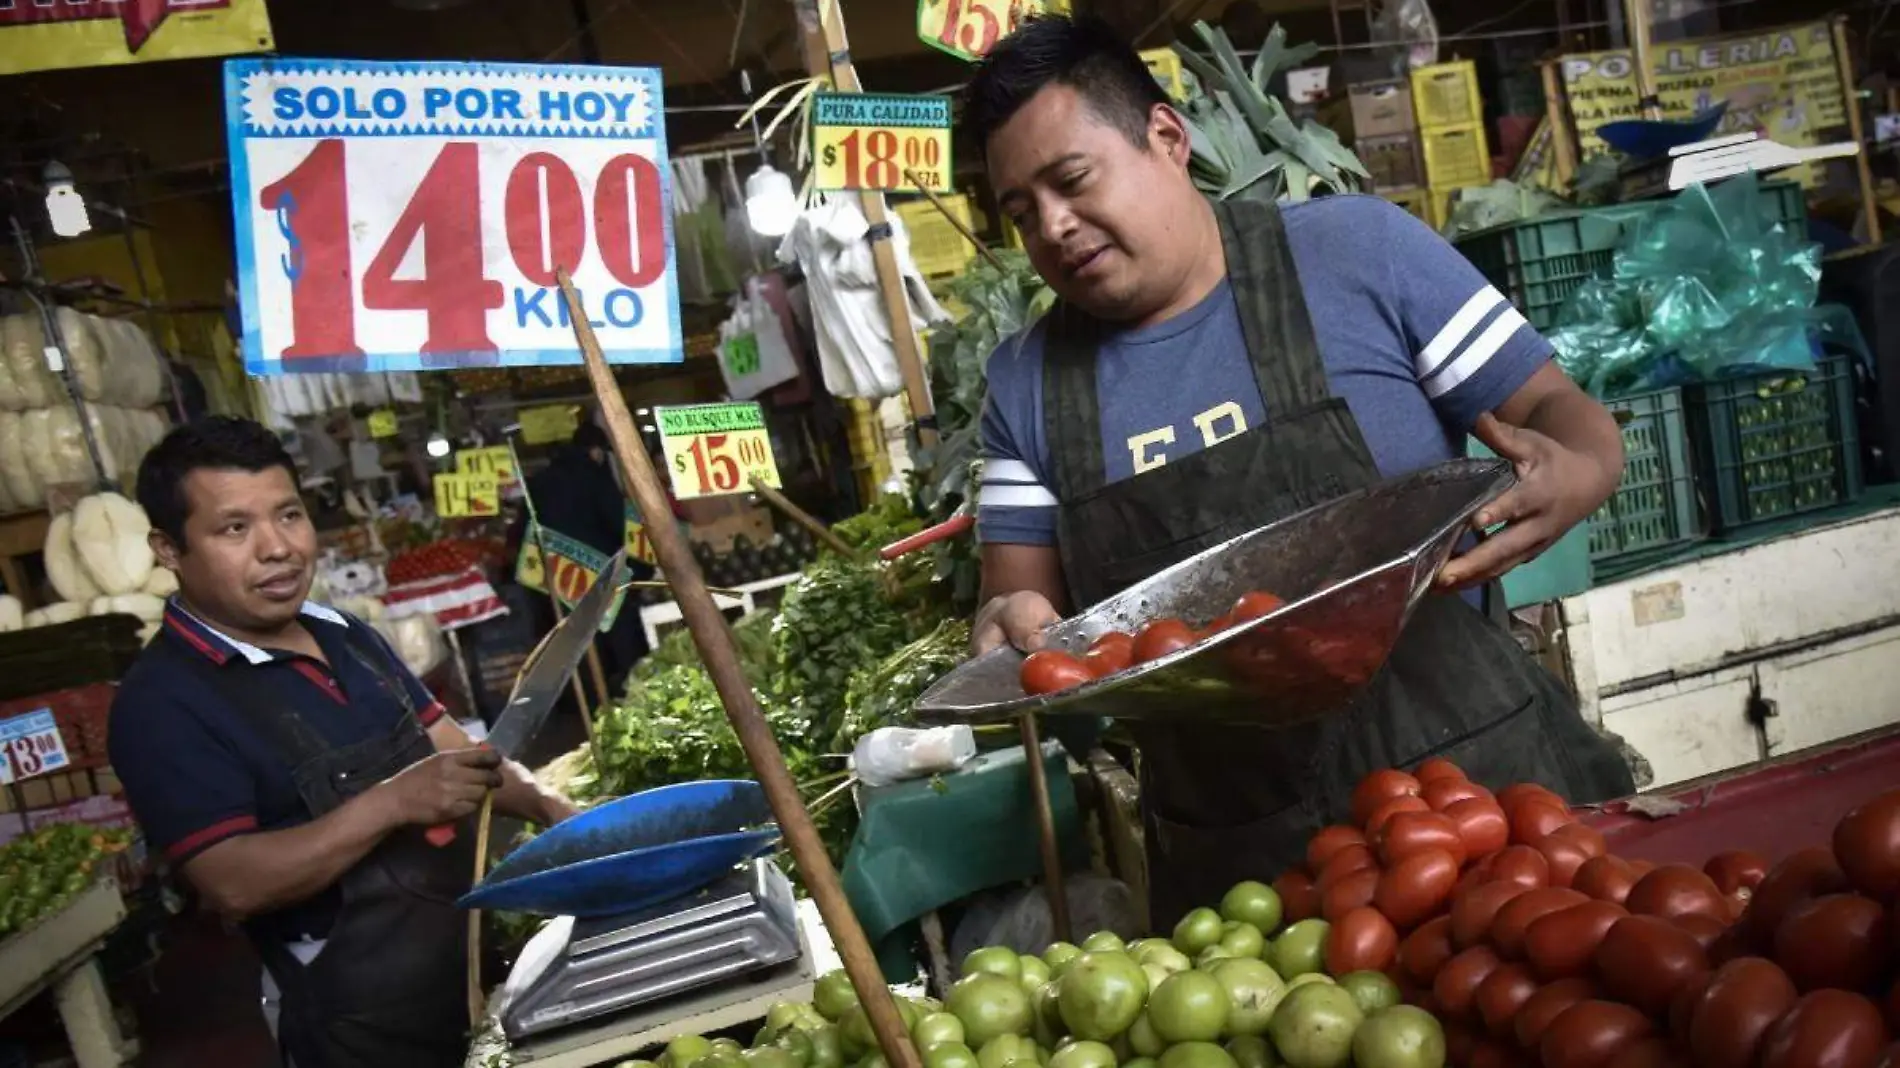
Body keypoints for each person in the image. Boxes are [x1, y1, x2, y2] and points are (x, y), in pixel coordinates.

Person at [962, 16, 1636, 925]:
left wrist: (1576, 469)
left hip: (1478, 810)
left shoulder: (1356, 255)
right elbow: (1019, 608)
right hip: (1244, 881)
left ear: (1166, 138)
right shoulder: (1025, 387)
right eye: (1020, 211)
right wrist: (1009, 628)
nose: (1053, 226)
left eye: (1071, 181)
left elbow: (1565, 417)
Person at [109, 417, 576, 1068]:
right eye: (235, 529)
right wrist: (391, 803)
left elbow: (454, 747)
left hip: (478, 966)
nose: (278, 548)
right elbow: (233, 882)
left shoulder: (344, 633)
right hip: (359, 1027)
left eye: (289, 515)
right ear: (168, 548)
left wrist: (558, 811)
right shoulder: (162, 703)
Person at [516, 421, 679, 690]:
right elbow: (619, 523)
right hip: (603, 571)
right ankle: (630, 689)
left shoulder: (539, 483)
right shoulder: (594, 476)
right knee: (619, 632)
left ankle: (596, 696)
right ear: (595, 451)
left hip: (562, 575)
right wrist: (644, 569)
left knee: (581, 641)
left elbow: (526, 530)